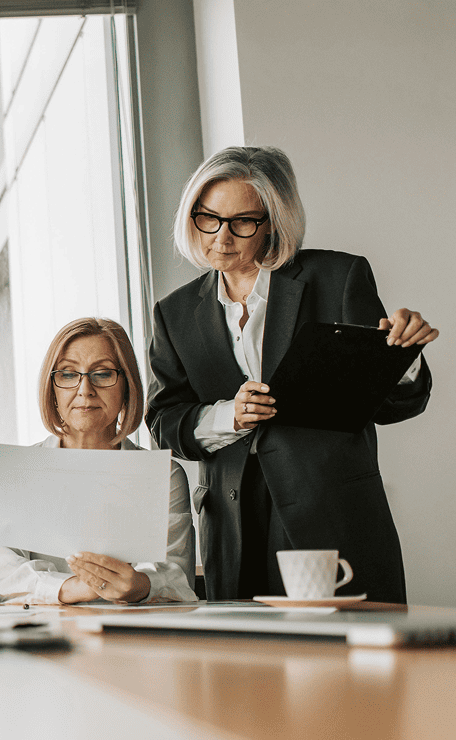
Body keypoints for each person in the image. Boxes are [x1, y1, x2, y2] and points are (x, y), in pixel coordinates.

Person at [146, 146, 436, 603]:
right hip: (233, 524)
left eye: (242, 222)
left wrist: (403, 356)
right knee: (251, 665)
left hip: (332, 513)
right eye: (208, 218)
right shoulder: (174, 313)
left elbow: (391, 405)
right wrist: (230, 416)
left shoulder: (339, 277)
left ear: (274, 221)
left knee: (354, 666)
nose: (221, 237)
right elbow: (164, 421)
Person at [0, 318, 197, 605]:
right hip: (39, 634)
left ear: (127, 387)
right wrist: (83, 588)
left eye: (102, 374)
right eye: (68, 374)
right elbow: (5, 577)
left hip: (132, 636)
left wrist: (139, 585)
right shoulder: (6, 475)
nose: (85, 389)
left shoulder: (164, 476)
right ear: (52, 389)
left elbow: (176, 577)